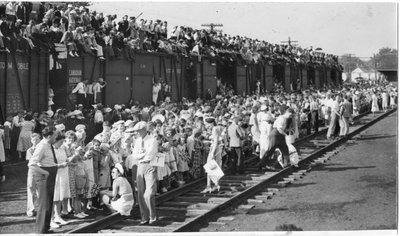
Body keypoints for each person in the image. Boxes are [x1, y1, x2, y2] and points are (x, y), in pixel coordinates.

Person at [29, 126, 59, 234]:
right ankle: (40, 231)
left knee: (49, 203)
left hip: (50, 174)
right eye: (55, 135)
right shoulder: (41, 146)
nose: (56, 137)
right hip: (44, 177)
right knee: (44, 204)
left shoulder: (48, 145)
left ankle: (45, 228)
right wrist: (46, 172)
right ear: (49, 136)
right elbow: (31, 164)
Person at [131, 121, 158, 225]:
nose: (137, 132)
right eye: (136, 131)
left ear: (144, 130)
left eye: (138, 131)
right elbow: (134, 154)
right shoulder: (137, 140)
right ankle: (145, 217)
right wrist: (141, 155)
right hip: (140, 166)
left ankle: (152, 216)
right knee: (140, 193)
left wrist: (141, 155)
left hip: (150, 165)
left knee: (149, 193)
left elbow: (150, 154)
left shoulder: (152, 140)